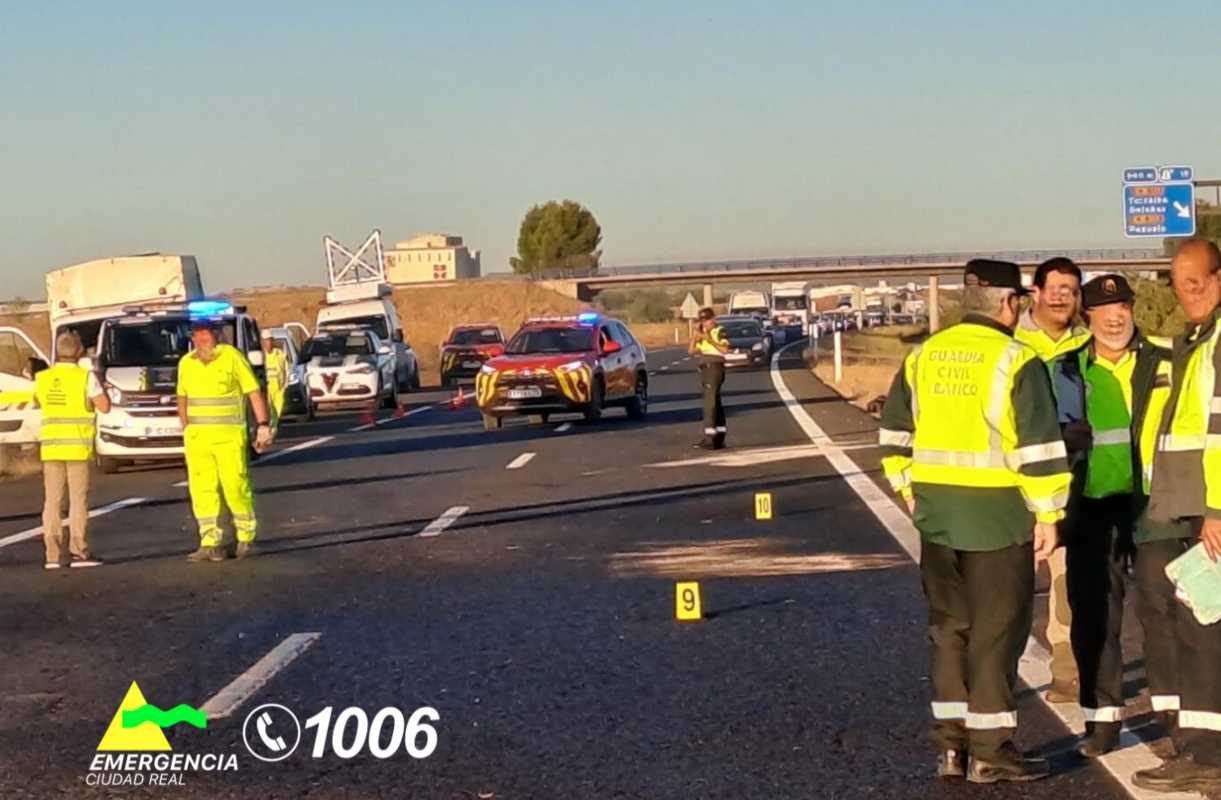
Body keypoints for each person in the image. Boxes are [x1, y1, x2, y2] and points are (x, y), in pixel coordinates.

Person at [879, 259, 1070, 783]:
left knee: (948, 632)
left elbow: (894, 434)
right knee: (995, 635)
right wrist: (1049, 513)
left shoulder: (924, 355)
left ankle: (950, 750)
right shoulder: (1016, 359)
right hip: (997, 520)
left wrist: (908, 491)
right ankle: (991, 747)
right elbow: (1040, 447)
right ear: (1010, 303)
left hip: (938, 518)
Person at [1132, 239, 1221, 793]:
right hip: (1191, 506)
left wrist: (1216, 509)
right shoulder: (1199, 338)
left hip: (1210, 510)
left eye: (1195, 283)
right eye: (1178, 284)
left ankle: (1208, 757)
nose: (1186, 294)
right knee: (1198, 627)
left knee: (1203, 632)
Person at [1059, 274, 1145, 757]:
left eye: (1123, 306)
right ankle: (1102, 722)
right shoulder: (1065, 371)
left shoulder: (1161, 359)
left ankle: (1183, 722)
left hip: (1153, 503)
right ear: (1086, 316)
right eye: (1104, 308)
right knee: (1095, 617)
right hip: (1090, 508)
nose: (1116, 316)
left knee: (1170, 614)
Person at [1014, 256, 1092, 703]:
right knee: (1009, 587)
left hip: (1073, 478)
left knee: (1068, 581)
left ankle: (1066, 670)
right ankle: (992, 686)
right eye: (1056, 288)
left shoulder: (1090, 343)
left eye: (1071, 289)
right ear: (1036, 293)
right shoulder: (1011, 344)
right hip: (1017, 484)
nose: (1063, 296)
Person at [177, 317, 273, 562]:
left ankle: (246, 538)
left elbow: (252, 391)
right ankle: (210, 542)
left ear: (216, 335)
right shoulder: (186, 363)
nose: (201, 339)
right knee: (202, 490)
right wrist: (186, 427)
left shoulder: (231, 357)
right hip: (198, 441)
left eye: (205, 334)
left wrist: (262, 425)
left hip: (229, 438)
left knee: (235, 486)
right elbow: (182, 397)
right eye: (197, 335)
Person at [34, 330, 111, 569]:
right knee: (78, 500)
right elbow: (104, 406)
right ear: (78, 352)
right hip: (76, 448)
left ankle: (52, 554)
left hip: (51, 448)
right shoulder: (85, 377)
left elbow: (39, 402)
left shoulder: (43, 378)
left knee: (52, 501)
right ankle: (78, 550)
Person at [688, 308, 730, 449]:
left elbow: (725, 350)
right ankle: (719, 436)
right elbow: (691, 351)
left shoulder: (719, 331)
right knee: (715, 401)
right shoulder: (704, 333)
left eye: (707, 320)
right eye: (703, 321)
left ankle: (710, 437)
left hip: (714, 366)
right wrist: (695, 336)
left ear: (713, 319)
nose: (705, 323)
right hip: (705, 367)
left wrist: (709, 339)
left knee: (709, 402)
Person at [261, 329, 288, 430]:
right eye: (267, 340)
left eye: (270, 340)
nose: (269, 342)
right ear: (263, 342)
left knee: (277, 409)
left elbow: (286, 370)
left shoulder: (279, 354)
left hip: (278, 388)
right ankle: (269, 428)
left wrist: (285, 385)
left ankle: (274, 428)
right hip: (266, 386)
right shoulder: (261, 355)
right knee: (267, 409)